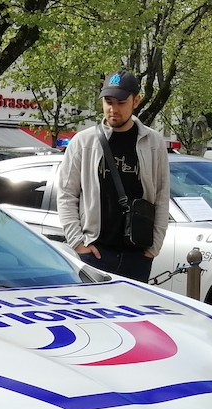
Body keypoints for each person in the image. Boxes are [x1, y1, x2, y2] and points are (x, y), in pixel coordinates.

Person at [56, 70, 169, 282]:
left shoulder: (153, 143)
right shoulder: (83, 142)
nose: (113, 109)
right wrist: (78, 242)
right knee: (92, 314)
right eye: (108, 101)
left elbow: (162, 196)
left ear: (136, 101)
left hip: (138, 255)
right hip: (95, 253)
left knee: (133, 314)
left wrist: (154, 247)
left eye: (120, 102)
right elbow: (66, 194)